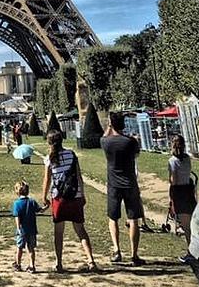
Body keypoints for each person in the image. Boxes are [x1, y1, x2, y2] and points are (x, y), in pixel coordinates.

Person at [42, 130, 96, 272]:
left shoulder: (50, 158)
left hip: (59, 198)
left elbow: (47, 180)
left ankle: (59, 263)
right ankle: (91, 260)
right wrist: (82, 194)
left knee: (59, 232)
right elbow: (79, 176)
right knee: (80, 230)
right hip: (75, 195)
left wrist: (44, 196)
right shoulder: (71, 154)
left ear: (49, 142)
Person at [100, 111, 144, 266]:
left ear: (111, 124)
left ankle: (117, 250)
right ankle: (134, 255)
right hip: (130, 183)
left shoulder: (106, 142)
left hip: (114, 185)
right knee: (133, 220)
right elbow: (136, 155)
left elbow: (104, 136)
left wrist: (109, 126)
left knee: (113, 219)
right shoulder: (130, 142)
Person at [168, 134, 196, 260]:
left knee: (186, 226)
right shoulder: (187, 158)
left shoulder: (172, 161)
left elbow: (174, 180)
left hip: (179, 191)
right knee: (191, 221)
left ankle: (191, 252)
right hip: (189, 189)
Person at [11, 180, 43, 273]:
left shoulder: (17, 203)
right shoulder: (32, 202)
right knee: (31, 248)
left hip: (22, 230)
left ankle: (18, 264)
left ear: (17, 191)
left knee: (19, 247)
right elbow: (40, 210)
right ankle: (32, 265)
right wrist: (46, 206)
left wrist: (18, 228)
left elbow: (17, 217)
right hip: (32, 230)